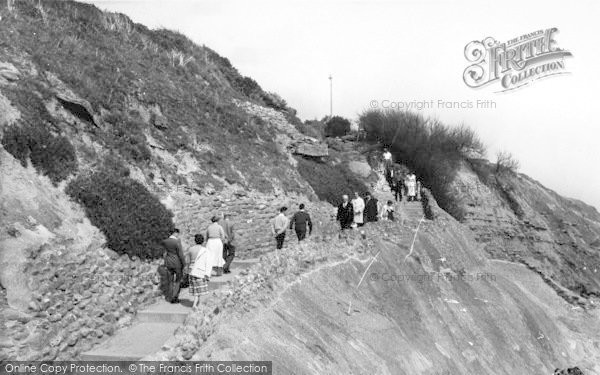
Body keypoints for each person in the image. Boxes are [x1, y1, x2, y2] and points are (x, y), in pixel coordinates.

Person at [161, 228, 186, 303]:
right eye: (178, 234)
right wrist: (184, 264)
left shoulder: (165, 241)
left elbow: (164, 253)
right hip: (177, 263)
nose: (178, 235)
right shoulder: (177, 242)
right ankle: (175, 297)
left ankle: (170, 296)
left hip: (168, 263)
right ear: (175, 233)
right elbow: (180, 254)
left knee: (170, 281)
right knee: (178, 281)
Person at [187, 234, 210, 309]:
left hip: (191, 269)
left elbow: (188, 261)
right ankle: (195, 304)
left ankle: (197, 303)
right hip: (200, 270)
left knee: (195, 288)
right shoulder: (205, 250)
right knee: (198, 289)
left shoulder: (191, 249)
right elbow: (207, 262)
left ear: (195, 240)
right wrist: (207, 274)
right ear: (203, 241)